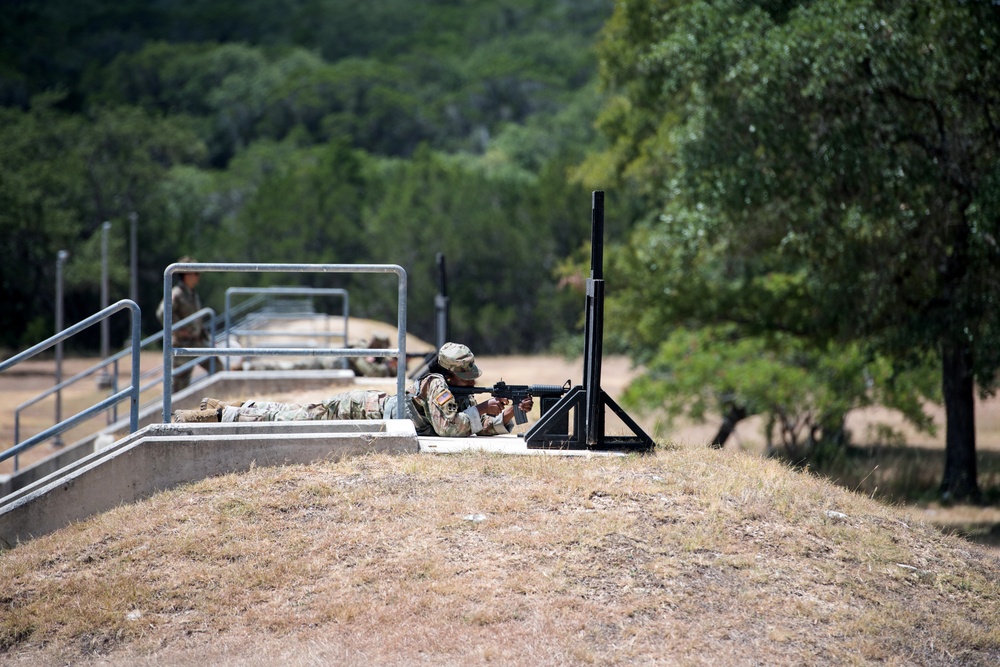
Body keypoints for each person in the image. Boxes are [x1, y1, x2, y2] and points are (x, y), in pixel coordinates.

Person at [173, 342, 532, 437]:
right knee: (294, 417)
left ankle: (231, 409)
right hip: (362, 409)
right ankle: (224, 413)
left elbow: (466, 425)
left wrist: (502, 416)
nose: (472, 381)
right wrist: (481, 410)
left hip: (375, 409)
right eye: (467, 376)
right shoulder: (436, 384)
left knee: (294, 414)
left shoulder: (455, 391)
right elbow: (449, 427)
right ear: (454, 374)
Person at [156, 256, 216, 392]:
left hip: (198, 343)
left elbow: (197, 320)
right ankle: (172, 412)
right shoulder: (177, 294)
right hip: (183, 345)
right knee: (180, 385)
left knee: (217, 367)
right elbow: (162, 312)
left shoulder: (192, 293)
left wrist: (208, 338)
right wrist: (177, 329)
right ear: (186, 275)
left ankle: (217, 405)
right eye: (196, 273)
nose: (198, 277)